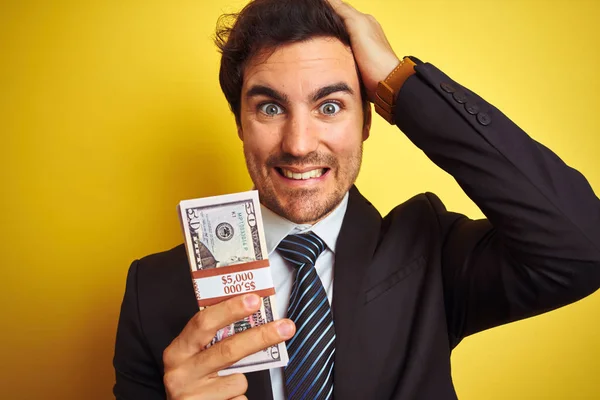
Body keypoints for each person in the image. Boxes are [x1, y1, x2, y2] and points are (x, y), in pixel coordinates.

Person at [112, 0, 600, 399]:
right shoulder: (152, 293)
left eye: (330, 106)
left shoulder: (431, 252)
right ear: (240, 123)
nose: (299, 143)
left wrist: (400, 83)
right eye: (269, 107)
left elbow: (583, 245)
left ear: (368, 120)